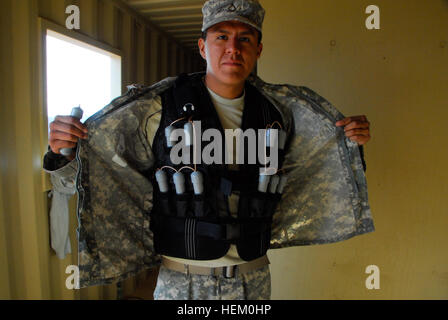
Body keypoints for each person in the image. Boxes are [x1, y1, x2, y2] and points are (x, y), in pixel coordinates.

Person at [44, 0, 373, 300]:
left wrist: (349, 144)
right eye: (221, 37)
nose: (233, 48)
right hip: (181, 283)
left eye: (244, 39)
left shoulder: (280, 114)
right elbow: (105, 171)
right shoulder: (159, 109)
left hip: (252, 282)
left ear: (258, 49)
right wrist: (63, 151)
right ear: (202, 47)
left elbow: (314, 171)